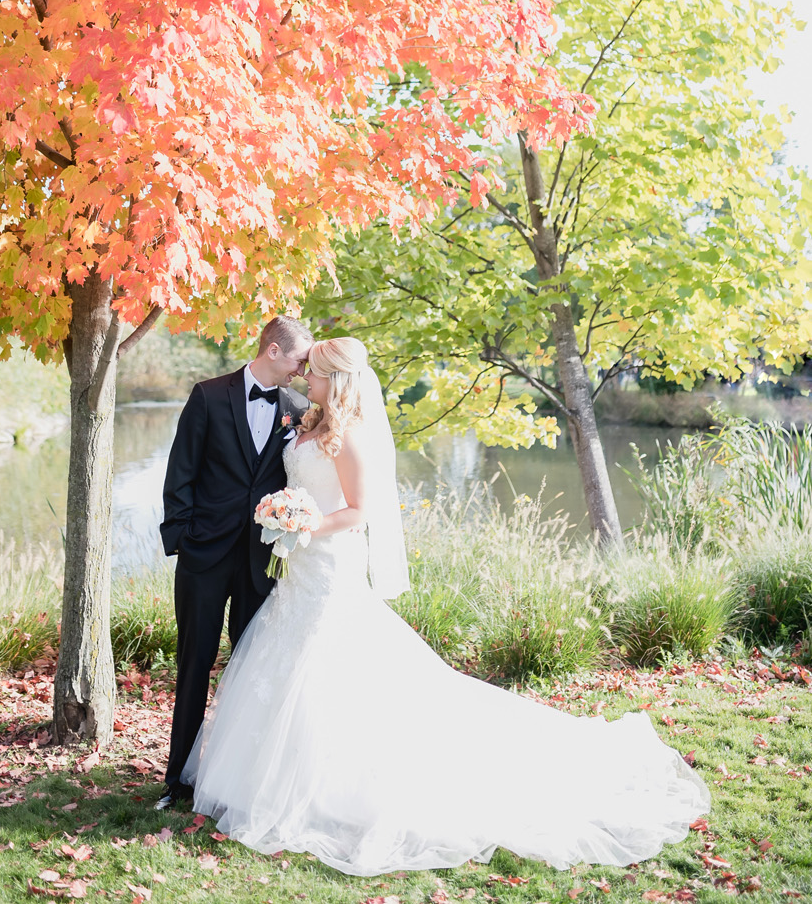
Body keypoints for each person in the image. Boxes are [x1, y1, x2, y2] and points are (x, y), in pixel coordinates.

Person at [178, 335, 711, 875]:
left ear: (335, 380)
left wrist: (309, 523)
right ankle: (271, 778)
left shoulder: (352, 437)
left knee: (327, 671)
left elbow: (360, 510)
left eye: (313, 374)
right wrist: (284, 515)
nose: (303, 381)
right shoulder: (307, 422)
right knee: (285, 667)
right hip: (299, 570)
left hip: (329, 563)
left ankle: (335, 789)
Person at [156, 315, 313, 810]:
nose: (302, 370)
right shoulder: (208, 395)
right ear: (272, 351)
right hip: (204, 556)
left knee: (254, 672)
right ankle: (176, 782)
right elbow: (180, 470)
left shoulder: (299, 407)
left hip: (261, 561)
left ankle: (242, 784)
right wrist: (183, 538)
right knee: (193, 666)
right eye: (298, 360)